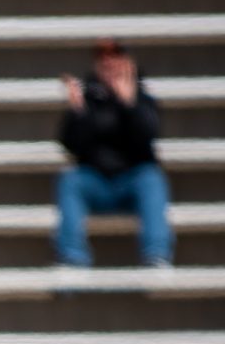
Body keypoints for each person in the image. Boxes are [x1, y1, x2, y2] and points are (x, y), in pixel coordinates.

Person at [55, 38, 172, 269]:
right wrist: (78, 113)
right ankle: (72, 257)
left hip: (132, 181)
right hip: (96, 182)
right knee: (70, 179)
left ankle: (156, 255)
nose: (108, 62)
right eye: (102, 57)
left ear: (128, 62)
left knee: (152, 179)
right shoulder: (86, 100)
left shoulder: (143, 98)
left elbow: (147, 138)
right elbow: (70, 146)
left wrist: (129, 104)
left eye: (115, 56)